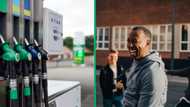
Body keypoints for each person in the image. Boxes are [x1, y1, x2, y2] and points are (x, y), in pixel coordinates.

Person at [122, 26, 168, 107]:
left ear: (148, 43)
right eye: (128, 41)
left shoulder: (151, 72)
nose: (130, 45)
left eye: (135, 41)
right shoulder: (137, 60)